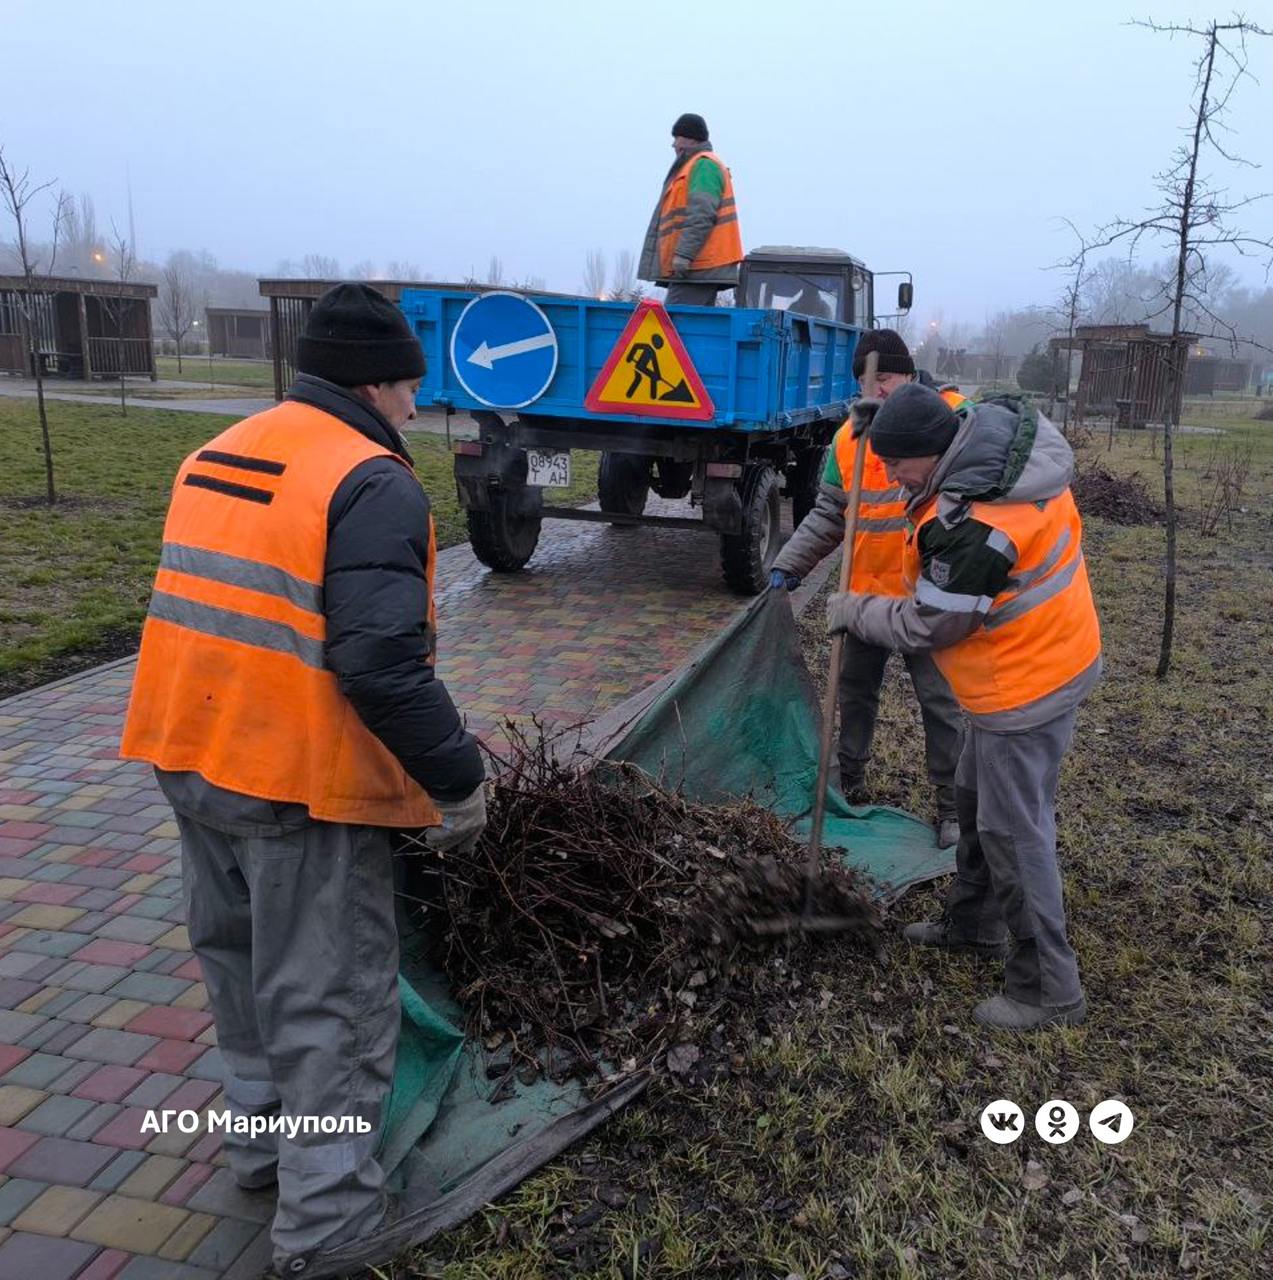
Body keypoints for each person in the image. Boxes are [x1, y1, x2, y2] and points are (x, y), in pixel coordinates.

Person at [119, 284, 487, 1270]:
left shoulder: (219, 450)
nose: (413, 407)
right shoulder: (369, 478)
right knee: (327, 997)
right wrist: (459, 776)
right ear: (374, 380)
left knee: (235, 963)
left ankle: (257, 1144)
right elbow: (378, 663)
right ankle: (326, 1224)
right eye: (410, 386)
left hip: (186, 749)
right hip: (292, 780)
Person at [826, 382, 1101, 1029]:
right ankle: (974, 923)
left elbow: (931, 626)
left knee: (1012, 832)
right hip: (1032, 663)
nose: (889, 477)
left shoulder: (976, 523)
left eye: (896, 465)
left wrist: (855, 611)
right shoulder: (987, 452)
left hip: (1026, 684)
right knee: (975, 798)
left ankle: (1047, 990)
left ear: (931, 451)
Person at [770, 329, 967, 847]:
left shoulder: (951, 418)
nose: (873, 389)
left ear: (907, 373)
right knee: (854, 694)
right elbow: (831, 513)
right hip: (863, 596)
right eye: (863, 380)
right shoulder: (847, 437)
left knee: (940, 703)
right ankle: (847, 783)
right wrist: (789, 565)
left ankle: (952, 808)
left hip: (930, 599)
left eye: (883, 377)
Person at [638, 112, 743, 306]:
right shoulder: (696, 166)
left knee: (676, 327)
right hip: (696, 267)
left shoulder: (704, 165)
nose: (673, 144)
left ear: (691, 139)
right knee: (691, 329)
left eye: (677, 138)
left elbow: (701, 215)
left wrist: (684, 255)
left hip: (698, 267)